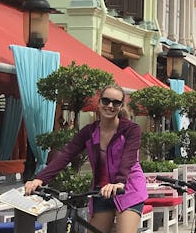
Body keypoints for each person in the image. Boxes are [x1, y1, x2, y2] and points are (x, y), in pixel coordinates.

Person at [24, 85, 147, 233]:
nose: (110, 106)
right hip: (101, 191)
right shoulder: (89, 132)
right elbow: (66, 154)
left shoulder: (131, 129)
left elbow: (129, 157)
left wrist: (119, 182)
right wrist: (40, 179)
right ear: (99, 102)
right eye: (106, 101)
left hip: (128, 188)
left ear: (121, 106)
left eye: (115, 103)